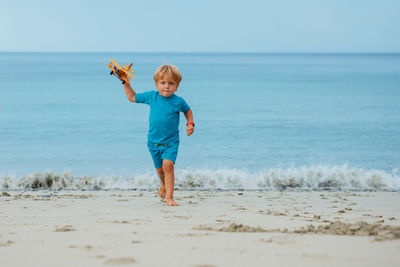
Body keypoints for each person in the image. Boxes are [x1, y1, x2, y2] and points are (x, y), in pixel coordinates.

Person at [121, 64, 194, 206]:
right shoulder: (151, 97)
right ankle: (164, 185)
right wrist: (125, 82)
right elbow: (132, 97)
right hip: (153, 142)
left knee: (168, 166)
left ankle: (170, 198)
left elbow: (188, 111)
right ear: (156, 84)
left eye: (171, 83)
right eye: (163, 83)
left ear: (177, 86)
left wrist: (190, 124)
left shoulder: (179, 101)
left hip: (171, 142)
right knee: (160, 170)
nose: (167, 86)